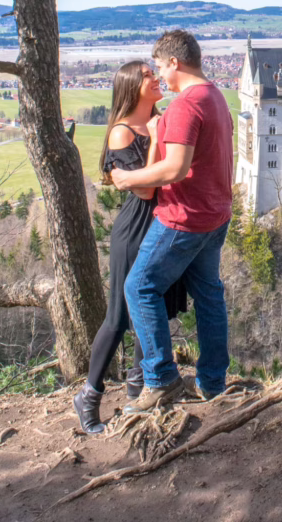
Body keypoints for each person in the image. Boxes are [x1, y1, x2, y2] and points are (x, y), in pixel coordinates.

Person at [112, 29, 233, 411]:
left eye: (161, 67)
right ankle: (212, 383)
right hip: (216, 213)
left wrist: (128, 178)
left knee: (139, 288)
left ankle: (161, 380)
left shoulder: (185, 105)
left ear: (175, 63)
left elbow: (176, 168)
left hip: (184, 217)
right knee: (210, 296)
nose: (161, 75)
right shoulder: (215, 96)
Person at [73, 61, 187, 434]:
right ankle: (90, 395)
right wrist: (154, 136)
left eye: (155, 73)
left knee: (149, 314)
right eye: (148, 75)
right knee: (119, 317)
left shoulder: (160, 119)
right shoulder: (122, 133)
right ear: (131, 86)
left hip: (163, 226)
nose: (156, 78)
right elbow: (144, 189)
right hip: (136, 229)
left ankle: (141, 391)